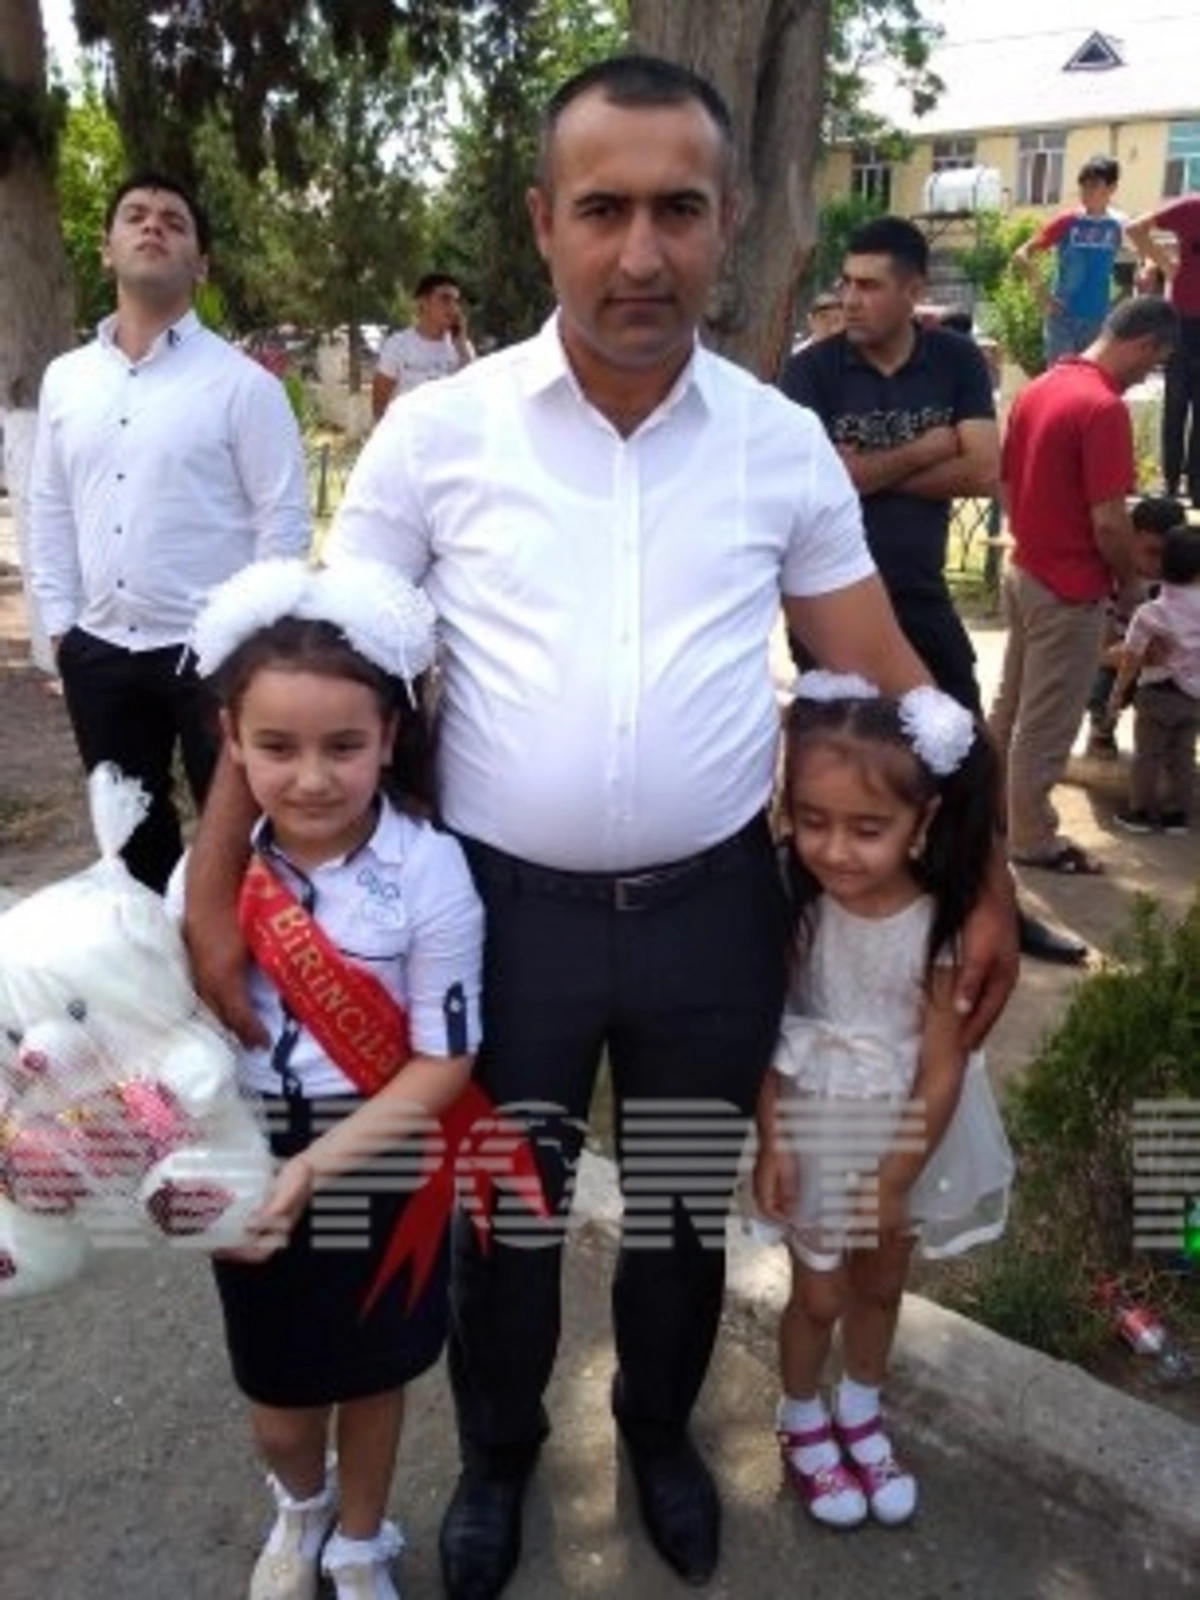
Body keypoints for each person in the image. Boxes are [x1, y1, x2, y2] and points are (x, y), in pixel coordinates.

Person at [183, 56, 1018, 1598]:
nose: (642, 252)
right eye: (604, 209)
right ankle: (499, 1457)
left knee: (685, 1208)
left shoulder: (776, 441)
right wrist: (214, 882)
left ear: (730, 222)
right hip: (507, 919)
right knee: (502, 1216)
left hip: (713, 911)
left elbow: (889, 671)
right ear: (543, 222)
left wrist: (987, 878)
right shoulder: (443, 435)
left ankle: (656, 1435)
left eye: (678, 210)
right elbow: (317, 652)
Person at [172, 556, 484, 1600]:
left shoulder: (431, 870)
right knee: (277, 1392)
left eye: (343, 746)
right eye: (277, 747)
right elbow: (162, 1036)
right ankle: (299, 1505)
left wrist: (316, 1169)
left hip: (380, 1151)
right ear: (232, 741)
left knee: (375, 1367)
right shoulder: (205, 881)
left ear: (390, 736)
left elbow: (445, 1060)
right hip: (247, 1147)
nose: (311, 778)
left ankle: (359, 1539)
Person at [781, 214, 1084, 964]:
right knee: (839, 770)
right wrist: (930, 444)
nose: (850, 299)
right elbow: (827, 483)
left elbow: (983, 468)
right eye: (845, 283)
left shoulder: (953, 361)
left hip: (919, 596)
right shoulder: (813, 372)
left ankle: (992, 902)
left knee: (966, 755)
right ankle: (829, 932)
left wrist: (868, 470)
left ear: (913, 291)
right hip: (830, 608)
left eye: (869, 285)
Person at [753, 673, 1011, 1531]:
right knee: (819, 1295)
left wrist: (896, 1179)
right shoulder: (790, 905)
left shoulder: (942, 921)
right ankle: (800, 1415)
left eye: (868, 829)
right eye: (813, 821)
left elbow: (941, 1069)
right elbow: (761, 1034)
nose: (835, 850)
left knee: (882, 1283)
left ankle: (860, 1410)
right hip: (812, 1127)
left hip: (907, 1133)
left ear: (923, 820)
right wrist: (772, 1141)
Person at [29, 172, 311, 892]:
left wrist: (255, 649)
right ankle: (147, 958)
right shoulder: (66, 380)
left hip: (213, 655)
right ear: (106, 248)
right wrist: (62, 629)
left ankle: (231, 961)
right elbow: (50, 506)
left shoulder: (244, 387)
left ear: (201, 264)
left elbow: (281, 522)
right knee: (129, 847)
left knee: (241, 847)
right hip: (99, 650)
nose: (152, 225)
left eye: (173, 221)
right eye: (135, 215)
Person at [989, 296, 1180, 874]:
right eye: (1155, 362)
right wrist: (1129, 582)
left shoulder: (1040, 387)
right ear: (1144, 344)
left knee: (1011, 706)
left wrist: (1033, 534)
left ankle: (992, 813)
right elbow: (1109, 522)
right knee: (1047, 722)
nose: (1148, 375)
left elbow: (1004, 481)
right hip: (1068, 586)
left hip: (1024, 568)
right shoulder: (1102, 408)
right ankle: (1031, 838)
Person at [1109, 524, 1200, 834]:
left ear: (1162, 564)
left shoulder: (1150, 612)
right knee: (1183, 756)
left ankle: (1141, 813)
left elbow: (1131, 658)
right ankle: (1178, 814)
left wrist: (1118, 694)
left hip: (1156, 694)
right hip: (1193, 698)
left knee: (1147, 756)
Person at [1083, 494, 1181, 758]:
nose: (1159, 564)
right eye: (1151, 552)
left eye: (1169, 555)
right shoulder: (1111, 581)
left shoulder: (1183, 584)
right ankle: (1101, 729)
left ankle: (1168, 742)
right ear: (1130, 540)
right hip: (1119, 662)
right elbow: (1097, 646)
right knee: (1102, 681)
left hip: (1166, 667)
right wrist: (1127, 655)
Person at [1012, 155, 1124, 366]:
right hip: (1063, 318)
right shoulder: (1068, 222)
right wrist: (1042, 294)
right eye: (1083, 186)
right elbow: (1021, 254)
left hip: (1098, 319)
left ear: (1112, 188)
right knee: (1061, 377)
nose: (1086, 191)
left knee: (1088, 379)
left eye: (1094, 185)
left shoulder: (1117, 226)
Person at [1126, 196, 1200, 504]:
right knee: (1176, 402)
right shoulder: (1190, 207)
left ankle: (1196, 486)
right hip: (1183, 319)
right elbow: (1134, 229)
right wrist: (1165, 263)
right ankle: (1171, 482)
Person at [371, 273, 475, 419]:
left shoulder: (463, 347)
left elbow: (473, 392)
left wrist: (461, 347)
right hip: (410, 430)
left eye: (456, 301)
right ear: (423, 302)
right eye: (445, 299)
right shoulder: (397, 345)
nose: (453, 307)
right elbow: (379, 403)